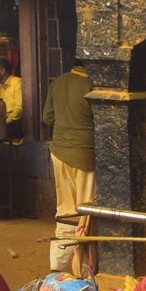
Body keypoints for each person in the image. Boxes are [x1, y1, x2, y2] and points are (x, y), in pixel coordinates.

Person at [42, 61, 95, 274]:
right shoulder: (93, 85)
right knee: (86, 212)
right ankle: (81, 267)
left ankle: (59, 261)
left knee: (65, 209)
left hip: (59, 153)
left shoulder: (59, 82)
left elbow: (48, 117)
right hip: (85, 154)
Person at [0, 58, 25, 141]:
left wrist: (5, 122)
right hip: (3, 121)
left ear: (2, 71)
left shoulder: (17, 82)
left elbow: (19, 108)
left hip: (14, 122)